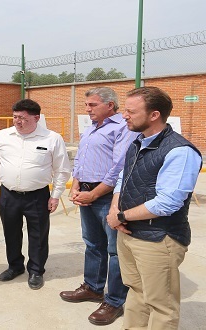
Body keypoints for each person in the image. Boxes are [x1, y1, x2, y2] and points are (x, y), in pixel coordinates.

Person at [106, 86, 202, 329]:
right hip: (128, 233)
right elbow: (123, 179)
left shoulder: (180, 151)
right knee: (136, 292)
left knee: (161, 305)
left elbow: (168, 202)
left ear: (154, 115)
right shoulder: (137, 142)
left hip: (158, 238)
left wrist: (120, 216)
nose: (124, 116)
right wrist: (114, 212)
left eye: (130, 111)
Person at [60, 87, 136, 326]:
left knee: (114, 251)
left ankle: (114, 301)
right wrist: (75, 186)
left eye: (92, 105)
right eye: (87, 105)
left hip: (107, 196)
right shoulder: (91, 128)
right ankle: (93, 287)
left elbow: (119, 167)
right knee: (92, 244)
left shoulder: (122, 128)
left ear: (110, 105)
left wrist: (94, 194)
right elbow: (80, 160)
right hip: (87, 193)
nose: (87, 109)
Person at [0, 99, 71, 290]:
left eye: (23, 118)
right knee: (11, 232)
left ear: (36, 118)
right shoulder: (3, 136)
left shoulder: (51, 138)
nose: (17, 121)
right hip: (8, 194)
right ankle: (15, 266)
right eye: (15, 117)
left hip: (38, 195)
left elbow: (62, 170)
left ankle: (36, 270)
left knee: (38, 234)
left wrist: (56, 195)